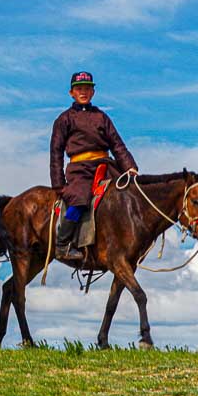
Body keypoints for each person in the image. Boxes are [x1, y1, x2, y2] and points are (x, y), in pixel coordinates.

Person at [50, 71, 138, 261]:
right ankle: (63, 244)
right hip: (80, 170)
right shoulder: (64, 119)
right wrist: (58, 183)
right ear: (71, 92)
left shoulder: (101, 117)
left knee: (127, 197)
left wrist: (130, 167)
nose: (83, 92)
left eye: (87, 88)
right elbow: (56, 152)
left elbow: (117, 145)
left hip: (106, 167)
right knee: (79, 199)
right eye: (79, 88)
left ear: (93, 92)